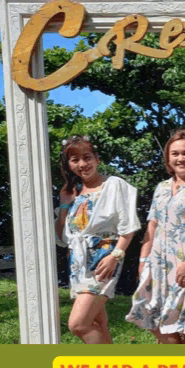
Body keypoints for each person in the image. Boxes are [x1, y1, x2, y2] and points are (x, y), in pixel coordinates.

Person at [126, 129, 185, 344]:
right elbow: (152, 224)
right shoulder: (161, 188)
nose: (181, 158)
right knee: (155, 313)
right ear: (168, 158)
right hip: (159, 261)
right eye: (175, 153)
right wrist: (143, 259)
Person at [56, 135, 141, 344]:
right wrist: (65, 204)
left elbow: (128, 228)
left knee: (78, 324)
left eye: (87, 158)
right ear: (69, 164)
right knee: (98, 324)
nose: (82, 164)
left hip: (104, 260)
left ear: (97, 159)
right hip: (78, 263)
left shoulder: (114, 185)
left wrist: (116, 256)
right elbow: (62, 237)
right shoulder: (74, 193)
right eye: (75, 160)